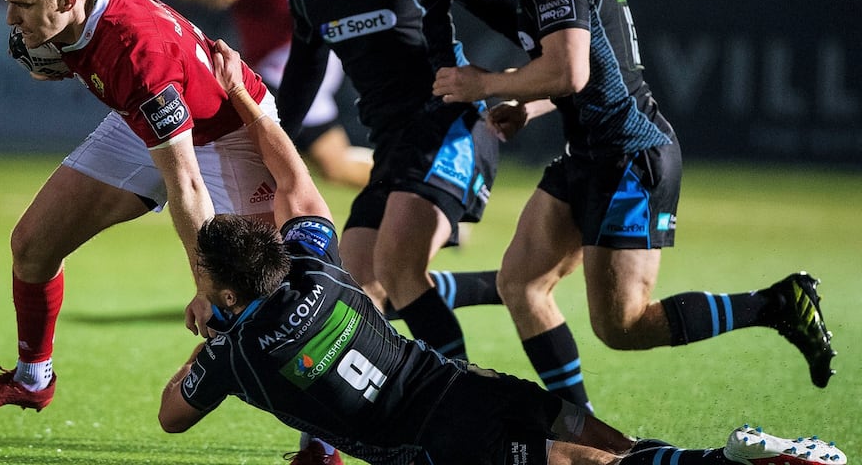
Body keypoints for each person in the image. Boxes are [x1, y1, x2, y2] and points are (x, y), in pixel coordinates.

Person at [157, 41, 847, 465]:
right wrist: (248, 104)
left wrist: (214, 342)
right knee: (618, 447)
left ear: (224, 295)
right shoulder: (315, 268)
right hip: (472, 387)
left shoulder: (236, 356)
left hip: (442, 443)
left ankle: (746, 462)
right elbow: (300, 189)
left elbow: (171, 414)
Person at [432, 0, 836, 413]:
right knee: (521, 283)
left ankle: (776, 304)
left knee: (622, 326)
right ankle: (581, 426)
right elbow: (599, 70)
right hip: (591, 154)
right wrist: (527, 107)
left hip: (630, 158)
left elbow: (570, 71)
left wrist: (482, 84)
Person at [0, 0, 283, 417]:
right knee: (32, 246)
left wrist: (204, 285)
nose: (10, 18)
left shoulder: (137, 58)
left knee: (265, 300)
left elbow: (185, 181)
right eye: (9, 1)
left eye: (22, 5)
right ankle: (32, 379)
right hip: (142, 117)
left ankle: (322, 442)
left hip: (226, 132)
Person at [278, 0, 517, 362]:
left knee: (398, 269)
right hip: (390, 146)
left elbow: (493, 2)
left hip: (449, 126)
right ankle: (330, 439)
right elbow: (305, 69)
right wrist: (273, 143)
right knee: (353, 295)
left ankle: (464, 414)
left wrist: (563, 59)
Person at [170, 0, 373, 189]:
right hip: (257, 53)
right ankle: (416, 185)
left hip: (303, 50)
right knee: (332, 162)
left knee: (245, 132)